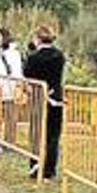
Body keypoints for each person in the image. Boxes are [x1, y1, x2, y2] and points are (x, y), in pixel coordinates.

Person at [23, 25, 65, 179]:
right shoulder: (59, 56)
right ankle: (50, 169)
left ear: (37, 39)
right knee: (53, 136)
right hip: (56, 96)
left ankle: (35, 164)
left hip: (39, 96)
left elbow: (27, 73)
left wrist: (29, 53)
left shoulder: (34, 57)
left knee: (36, 132)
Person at [0, 27, 23, 151]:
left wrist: (17, 87)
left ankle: (8, 143)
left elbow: (16, 72)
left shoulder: (13, 53)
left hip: (8, 88)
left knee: (9, 117)